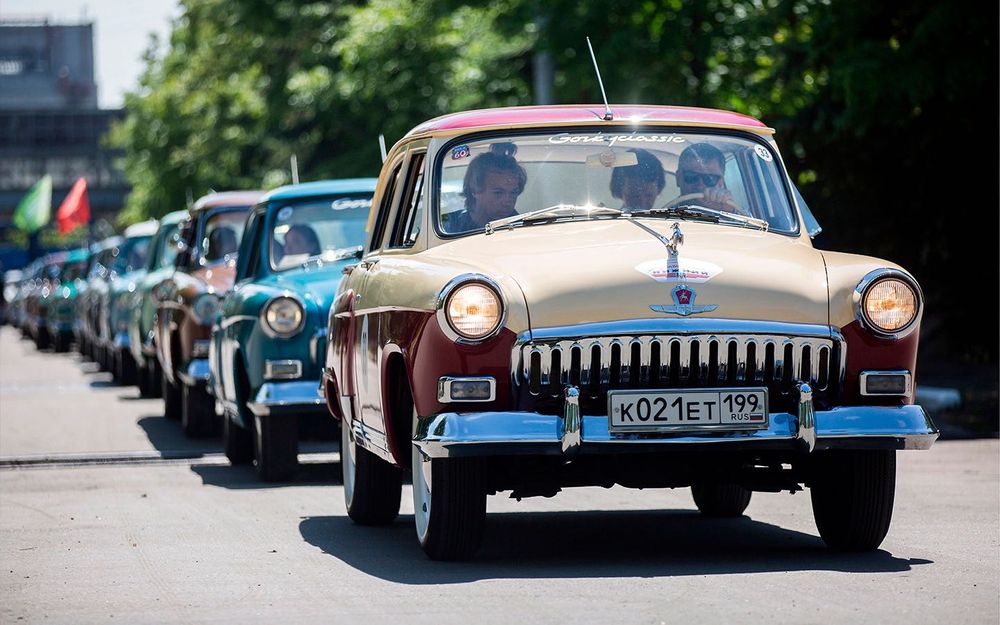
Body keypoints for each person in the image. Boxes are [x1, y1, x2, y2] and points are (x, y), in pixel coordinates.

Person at [447, 143, 527, 232]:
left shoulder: (525, 228)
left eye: (513, 193)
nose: (507, 202)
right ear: (475, 189)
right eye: (498, 193)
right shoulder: (449, 227)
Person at [674, 142, 738, 212]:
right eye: (691, 177)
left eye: (710, 178)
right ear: (678, 178)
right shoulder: (663, 218)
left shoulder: (739, 215)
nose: (700, 185)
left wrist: (728, 211)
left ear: (721, 182)